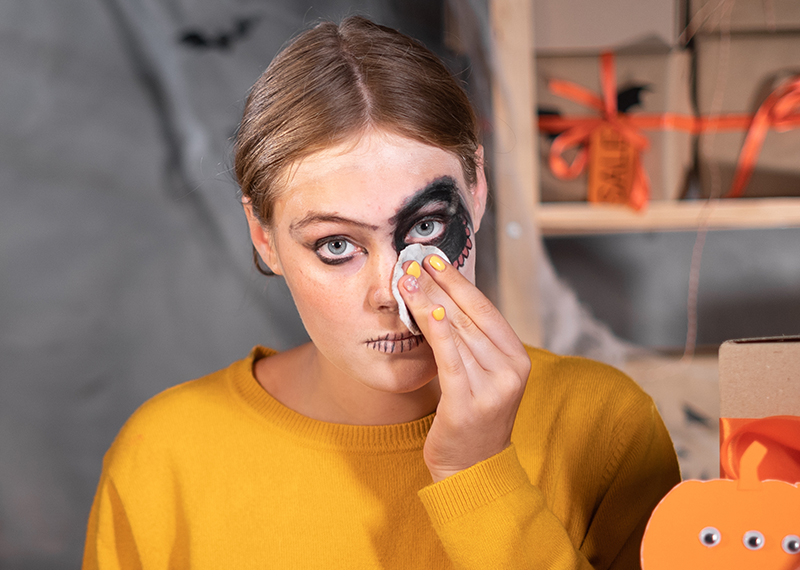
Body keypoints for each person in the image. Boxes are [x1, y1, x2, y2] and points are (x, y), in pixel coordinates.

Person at [82, 15, 680, 570]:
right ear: (264, 238)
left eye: (426, 228)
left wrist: (478, 473)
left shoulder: (605, 426)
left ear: (476, 192)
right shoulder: (163, 455)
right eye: (336, 244)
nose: (392, 293)